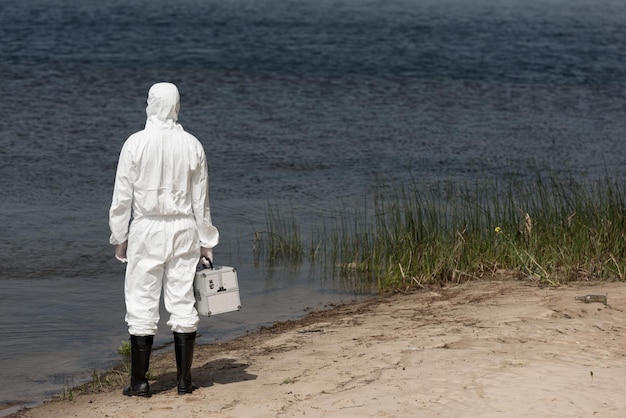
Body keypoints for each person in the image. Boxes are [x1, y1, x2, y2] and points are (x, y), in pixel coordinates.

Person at [109, 82, 219, 397]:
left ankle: (140, 383)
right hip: (184, 229)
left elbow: (122, 198)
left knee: (141, 301)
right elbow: (202, 201)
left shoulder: (134, 144)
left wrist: (120, 236)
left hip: (145, 229)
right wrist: (206, 241)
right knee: (183, 301)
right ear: (176, 105)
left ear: (150, 104)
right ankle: (184, 381)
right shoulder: (192, 144)